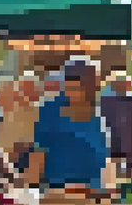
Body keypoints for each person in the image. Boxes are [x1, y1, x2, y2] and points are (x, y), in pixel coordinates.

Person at [24, 59, 110, 191]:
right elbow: (38, 153)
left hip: (93, 191)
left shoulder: (99, 113)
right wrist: (31, 191)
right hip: (58, 190)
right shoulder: (50, 110)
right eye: (69, 88)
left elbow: (102, 158)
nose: (71, 93)